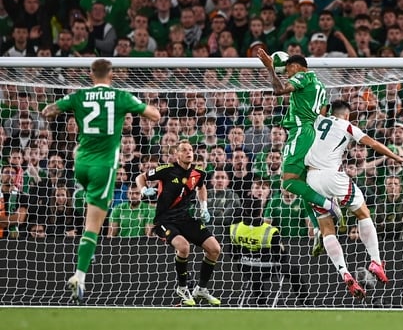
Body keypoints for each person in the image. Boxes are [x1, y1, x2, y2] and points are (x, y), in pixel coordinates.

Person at [41, 59, 161, 304]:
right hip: (103, 167)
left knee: (89, 205)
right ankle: (79, 275)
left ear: (90, 74)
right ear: (112, 74)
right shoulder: (120, 95)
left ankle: (88, 250)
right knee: (92, 226)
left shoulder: (80, 95)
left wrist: (69, 108)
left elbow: (48, 111)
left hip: (80, 164)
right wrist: (133, 109)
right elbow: (155, 116)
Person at [304, 100, 403, 298]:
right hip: (332, 175)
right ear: (346, 114)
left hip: (311, 179)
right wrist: (397, 158)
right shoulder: (347, 125)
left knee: (327, 228)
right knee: (363, 212)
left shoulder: (316, 121)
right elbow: (374, 143)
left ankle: (344, 273)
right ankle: (376, 261)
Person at [257, 49, 342, 256]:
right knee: (305, 185)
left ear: (296, 66)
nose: (287, 74)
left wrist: (270, 69)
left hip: (301, 132)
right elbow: (323, 114)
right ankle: (317, 229)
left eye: (288, 70)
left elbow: (279, 91)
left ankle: (328, 204)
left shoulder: (302, 76)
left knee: (288, 182)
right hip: (313, 133)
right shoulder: (321, 86)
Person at [135, 140, 222, 306]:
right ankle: (182, 288)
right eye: (184, 150)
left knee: (215, 249)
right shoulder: (167, 170)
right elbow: (141, 177)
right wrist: (143, 190)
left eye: (190, 149)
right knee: (183, 247)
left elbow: (201, 187)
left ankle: (201, 289)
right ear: (177, 154)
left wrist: (204, 207)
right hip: (164, 221)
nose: (189, 152)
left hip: (185, 219)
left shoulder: (198, 174)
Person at [229, 197, 310, 306]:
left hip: (245, 267)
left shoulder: (234, 228)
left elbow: (232, 254)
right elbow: (280, 257)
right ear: (261, 210)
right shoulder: (270, 230)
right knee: (293, 270)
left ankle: (260, 303)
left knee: (255, 274)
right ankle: (306, 304)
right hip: (267, 268)